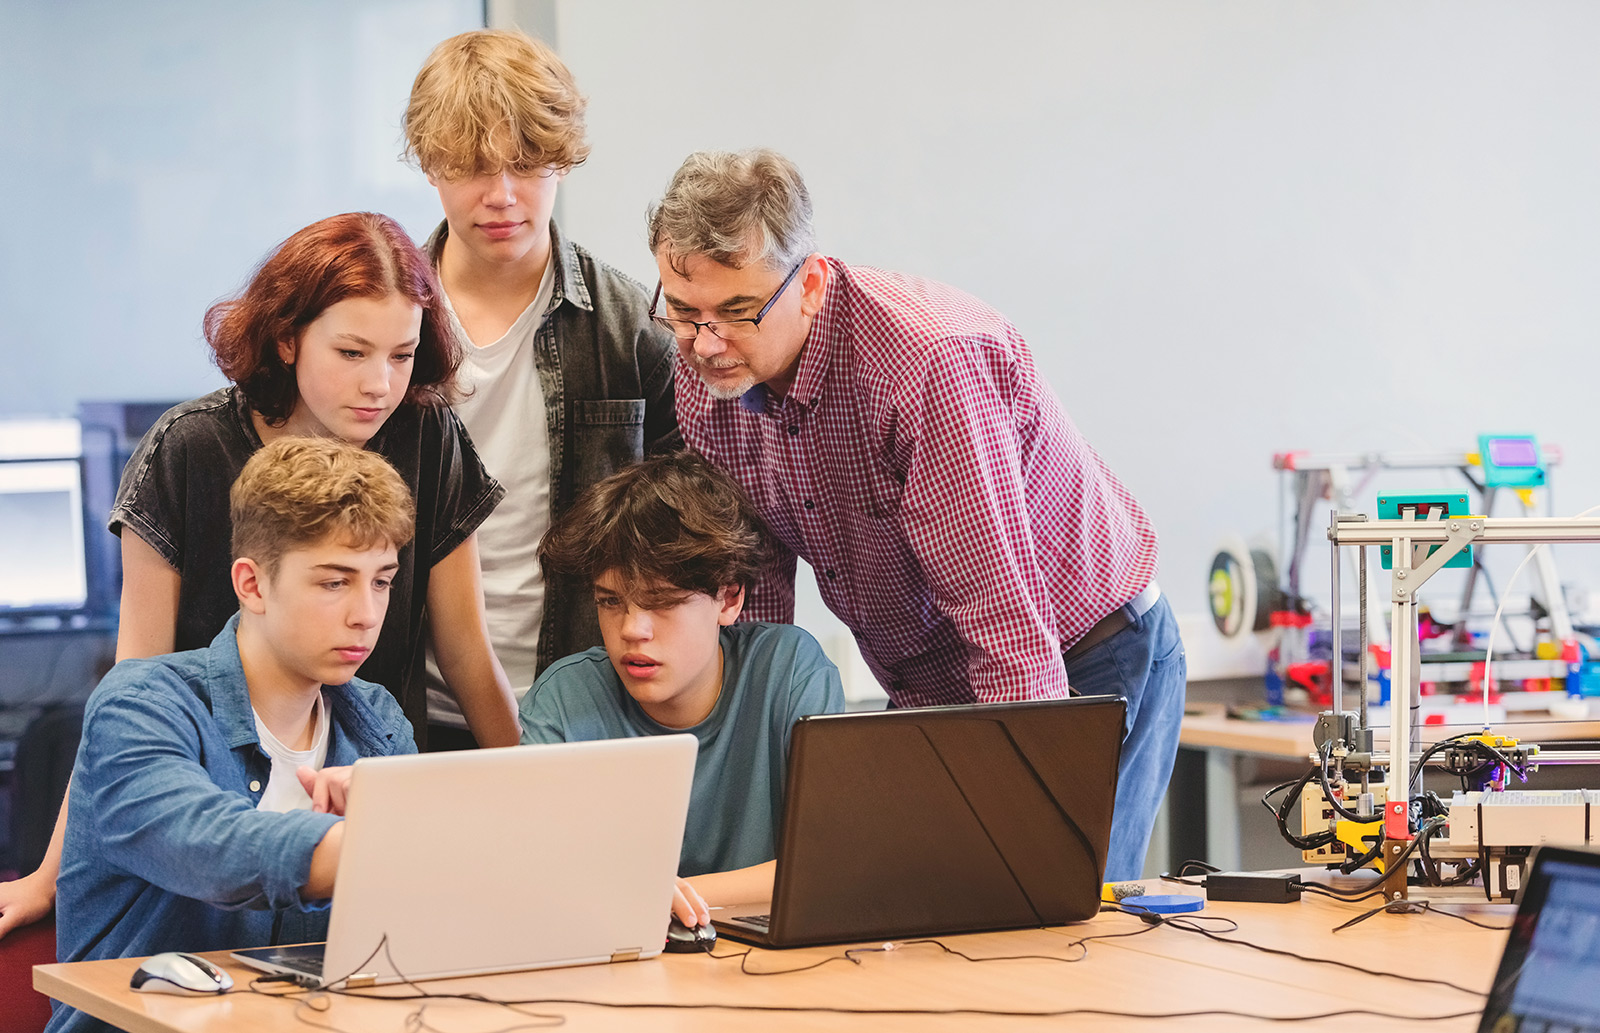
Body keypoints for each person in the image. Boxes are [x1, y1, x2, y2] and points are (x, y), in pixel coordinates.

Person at [646, 150, 1185, 882]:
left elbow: (1007, 630)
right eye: (684, 313)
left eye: (737, 315)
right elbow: (759, 612)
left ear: (809, 284)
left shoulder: (921, 367)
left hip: (1084, 656)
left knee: (1050, 914)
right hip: (931, 681)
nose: (705, 346)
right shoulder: (709, 371)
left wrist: (1031, 841)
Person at [0, 212, 520, 940]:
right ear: (287, 338)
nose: (380, 384)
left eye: (402, 355)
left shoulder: (377, 721)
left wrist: (532, 823)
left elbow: (468, 651)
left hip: (347, 744)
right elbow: (131, 701)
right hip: (200, 771)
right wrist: (57, 871)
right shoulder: (192, 449)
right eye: (351, 351)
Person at [45, 438, 420, 1033]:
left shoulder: (375, 720)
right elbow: (209, 846)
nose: (366, 613)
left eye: (381, 581)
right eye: (334, 582)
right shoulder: (141, 703)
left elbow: (419, 926)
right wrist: (377, 838)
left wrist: (417, 825)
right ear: (252, 585)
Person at [402, 29, 680, 744]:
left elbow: (683, 531)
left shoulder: (633, 329)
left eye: (526, 164)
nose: (501, 196)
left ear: (562, 161)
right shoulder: (383, 326)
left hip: (586, 704)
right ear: (431, 165)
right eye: (472, 166)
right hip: (399, 711)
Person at [520, 452, 844, 906]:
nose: (632, 629)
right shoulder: (564, 700)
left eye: (662, 601)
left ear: (729, 598)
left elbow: (829, 862)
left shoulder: (788, 670)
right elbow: (539, 880)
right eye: (611, 602)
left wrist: (659, 897)